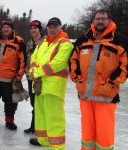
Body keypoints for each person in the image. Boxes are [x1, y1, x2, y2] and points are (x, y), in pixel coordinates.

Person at [69, 9, 127, 150]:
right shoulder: (83, 39)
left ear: (109, 20)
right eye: (97, 18)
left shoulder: (120, 40)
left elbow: (125, 65)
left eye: (103, 18)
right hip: (85, 96)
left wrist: (110, 82)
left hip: (106, 96)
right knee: (87, 135)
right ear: (93, 20)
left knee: (104, 136)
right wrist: (77, 78)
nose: (100, 21)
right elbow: (72, 60)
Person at [28, 17, 73, 150]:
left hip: (53, 87)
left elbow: (58, 63)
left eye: (55, 26)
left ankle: (57, 146)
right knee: (40, 115)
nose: (52, 29)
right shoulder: (43, 42)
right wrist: (33, 69)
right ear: (47, 28)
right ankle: (43, 140)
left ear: (61, 27)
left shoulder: (66, 44)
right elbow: (34, 58)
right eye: (50, 26)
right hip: (39, 85)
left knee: (54, 118)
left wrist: (36, 72)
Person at [0, 19, 25, 130]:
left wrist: (19, 75)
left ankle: (9, 121)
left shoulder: (18, 42)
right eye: (4, 27)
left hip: (9, 79)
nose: (5, 29)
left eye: (8, 27)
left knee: (11, 102)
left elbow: (22, 60)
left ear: (12, 29)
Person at [24, 20, 44, 134]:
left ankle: (39, 128)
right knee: (33, 103)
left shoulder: (45, 42)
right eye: (31, 28)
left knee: (39, 104)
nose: (33, 30)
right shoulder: (29, 43)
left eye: (35, 28)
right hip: (30, 77)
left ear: (39, 29)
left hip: (40, 78)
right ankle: (34, 126)